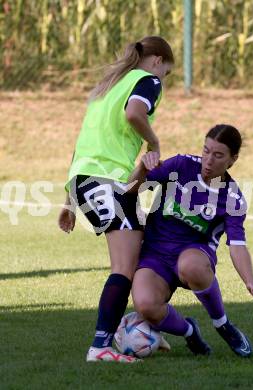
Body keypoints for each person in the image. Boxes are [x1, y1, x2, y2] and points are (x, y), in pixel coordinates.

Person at [58, 36, 174, 363]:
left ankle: (135, 327)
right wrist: (154, 144)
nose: (163, 79)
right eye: (167, 73)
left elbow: (82, 148)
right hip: (106, 181)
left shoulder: (108, 87)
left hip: (87, 180)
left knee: (140, 254)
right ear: (157, 62)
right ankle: (100, 346)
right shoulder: (147, 80)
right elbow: (135, 115)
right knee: (124, 266)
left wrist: (68, 201)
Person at [129, 124, 253, 358]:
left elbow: (237, 245)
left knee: (190, 265)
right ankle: (190, 332)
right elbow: (131, 189)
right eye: (206, 151)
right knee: (145, 306)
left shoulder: (232, 197)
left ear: (232, 160)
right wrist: (142, 166)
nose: (209, 160)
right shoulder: (180, 165)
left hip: (195, 253)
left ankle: (223, 325)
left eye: (218, 155)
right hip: (156, 254)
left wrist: (250, 280)